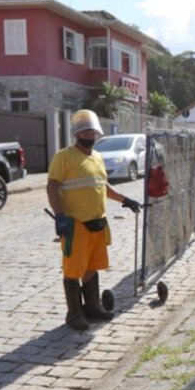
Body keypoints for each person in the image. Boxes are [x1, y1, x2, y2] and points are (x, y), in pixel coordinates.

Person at [47, 110, 141, 331]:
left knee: (91, 266)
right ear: (77, 134)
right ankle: (74, 313)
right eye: (85, 131)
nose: (90, 134)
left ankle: (92, 307)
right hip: (75, 224)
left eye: (92, 131)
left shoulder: (97, 157)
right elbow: (52, 185)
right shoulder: (64, 156)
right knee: (73, 269)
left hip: (98, 223)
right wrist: (59, 215)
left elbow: (102, 186)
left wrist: (125, 199)